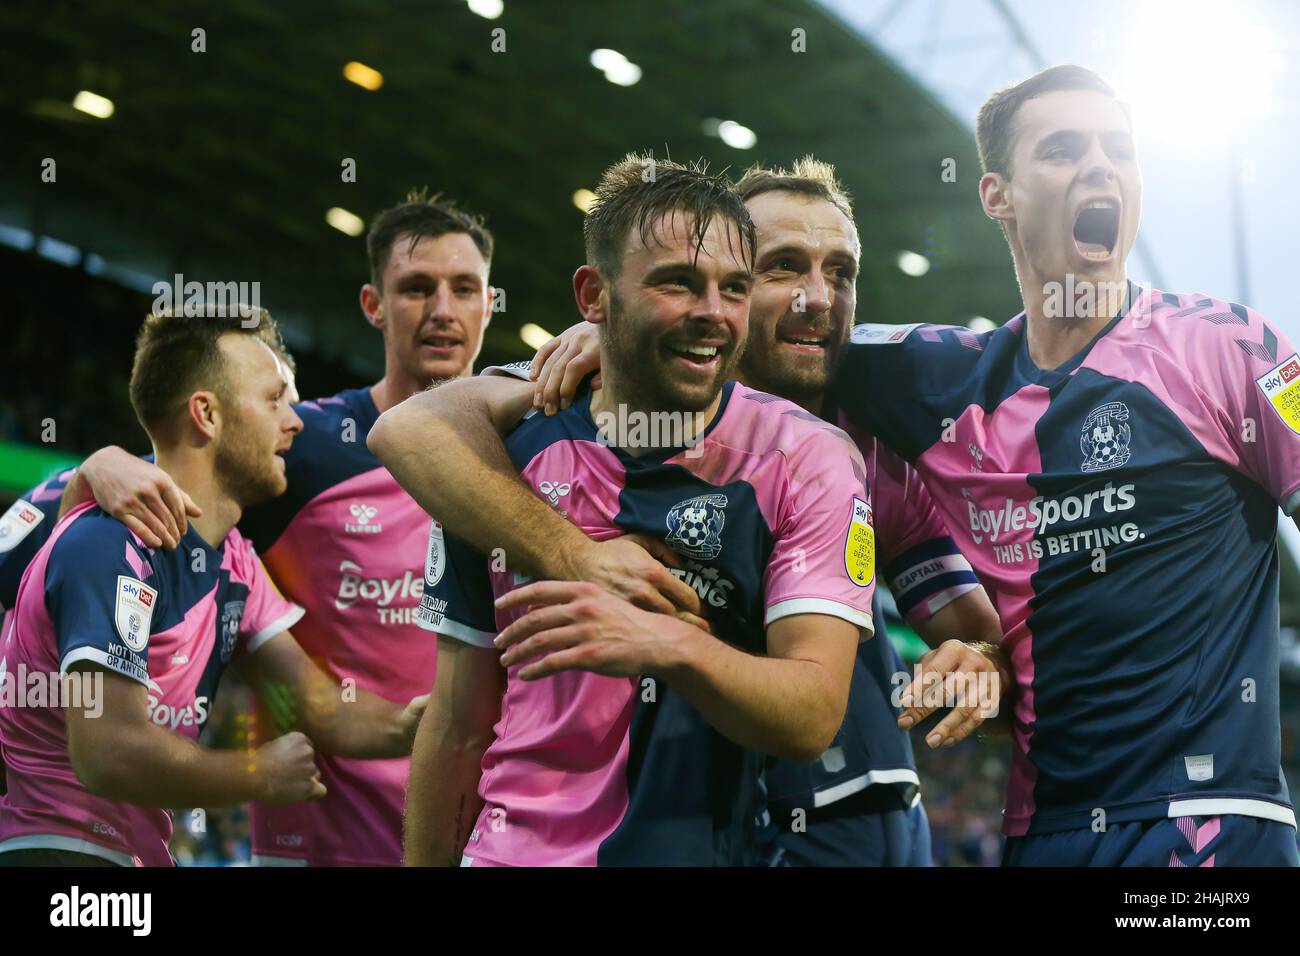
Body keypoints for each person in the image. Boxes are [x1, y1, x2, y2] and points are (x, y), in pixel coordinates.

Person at [832, 65, 1300, 865]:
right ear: (997, 195)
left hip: (1210, 824)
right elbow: (783, 349)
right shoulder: (940, 377)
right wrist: (610, 343)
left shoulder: (1231, 348)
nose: (1098, 167)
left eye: (1119, 148)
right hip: (1038, 834)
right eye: (1061, 149)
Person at [497, 158, 1009, 866]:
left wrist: (981, 662)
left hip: (857, 824)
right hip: (686, 824)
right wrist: (607, 336)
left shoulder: (871, 447)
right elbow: (417, 428)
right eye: (783, 267)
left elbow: (987, 647)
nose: (819, 298)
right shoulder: (589, 403)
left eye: (841, 272)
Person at [370, 155, 874, 866]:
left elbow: (813, 712)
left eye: (734, 287)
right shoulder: (494, 460)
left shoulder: (808, 459)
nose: (713, 313)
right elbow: (457, 724)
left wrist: (668, 644)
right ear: (594, 295)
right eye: (678, 282)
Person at [67, 190, 496, 866]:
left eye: (464, 288)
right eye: (416, 288)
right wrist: (101, 464)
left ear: (489, 304)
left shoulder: (532, 453)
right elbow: (178, 466)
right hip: (324, 843)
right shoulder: (303, 445)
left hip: (487, 838)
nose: (443, 310)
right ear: (373, 306)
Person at [0, 309, 424, 866]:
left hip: (133, 856)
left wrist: (447, 715)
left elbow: (327, 710)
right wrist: (259, 773)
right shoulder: (108, 540)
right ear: (206, 414)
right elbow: (108, 752)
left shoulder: (237, 564)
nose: (294, 422)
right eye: (274, 400)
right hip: (55, 852)